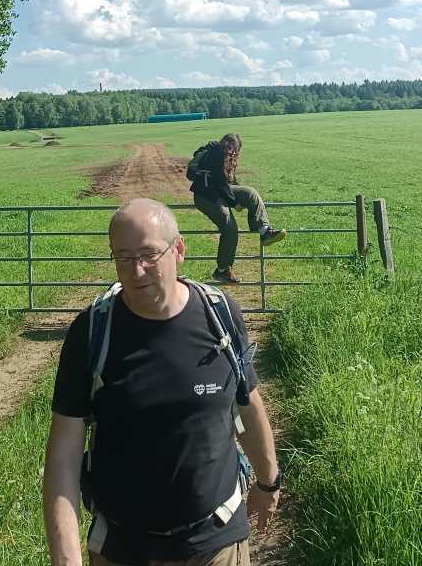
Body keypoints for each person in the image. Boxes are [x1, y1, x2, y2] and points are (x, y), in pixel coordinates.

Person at [43, 198, 282, 566]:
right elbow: (63, 455)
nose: (137, 270)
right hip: (123, 548)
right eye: (123, 257)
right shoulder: (91, 332)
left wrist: (268, 482)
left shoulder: (219, 315)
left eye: (148, 255)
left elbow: (247, 405)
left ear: (179, 250)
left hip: (216, 540)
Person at [188, 133, 286, 284]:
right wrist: (235, 203)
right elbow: (220, 182)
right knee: (231, 230)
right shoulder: (216, 154)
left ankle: (264, 230)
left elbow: (229, 180)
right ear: (235, 147)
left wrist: (240, 194)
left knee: (251, 193)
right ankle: (222, 270)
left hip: (217, 191)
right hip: (207, 197)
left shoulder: (224, 155)